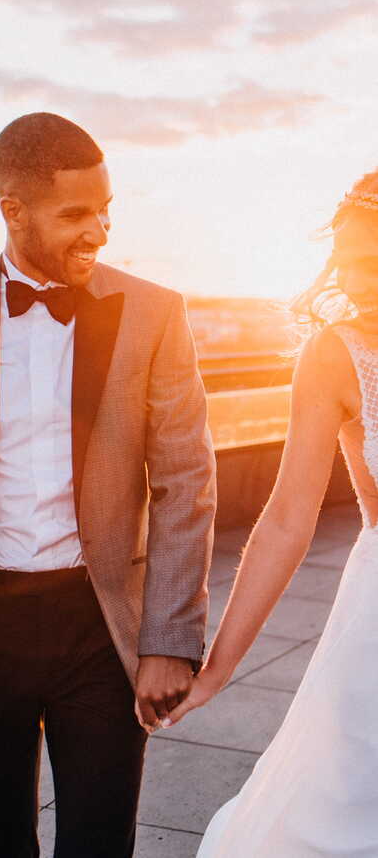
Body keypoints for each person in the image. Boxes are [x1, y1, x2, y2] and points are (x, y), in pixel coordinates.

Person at [0, 111, 216, 858]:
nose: (98, 230)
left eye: (105, 210)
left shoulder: (155, 313)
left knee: (100, 841)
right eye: (75, 214)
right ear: (12, 210)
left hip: (98, 628)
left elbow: (187, 479)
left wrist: (169, 639)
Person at [165, 170, 378, 855]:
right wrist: (220, 668)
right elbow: (287, 517)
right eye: (344, 258)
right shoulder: (337, 355)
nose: (353, 276)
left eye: (370, 258)